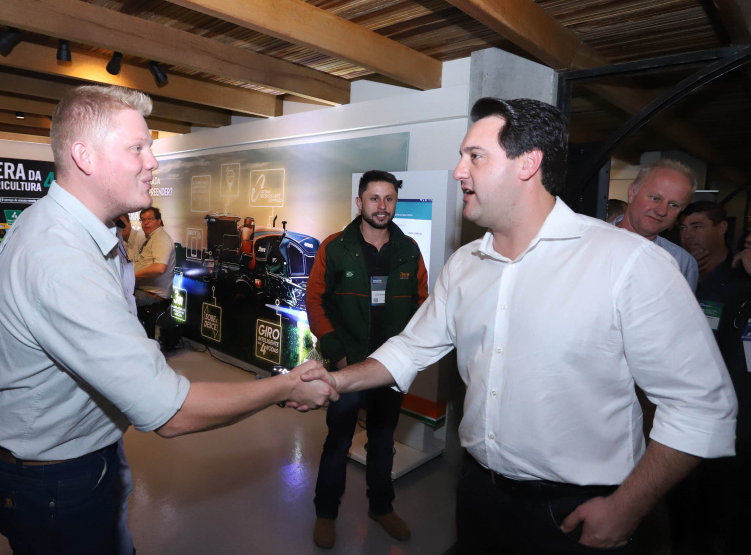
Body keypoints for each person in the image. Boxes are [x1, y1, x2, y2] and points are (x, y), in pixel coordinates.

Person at [299, 97, 737, 554]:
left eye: (475, 156)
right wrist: (335, 379)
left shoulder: (629, 264)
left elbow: (702, 408)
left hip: (578, 512)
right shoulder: (466, 264)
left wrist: (628, 505)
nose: (458, 171)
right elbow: (409, 349)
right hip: (476, 493)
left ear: (528, 164)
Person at [0, 84, 336, 555]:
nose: (152, 162)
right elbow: (171, 412)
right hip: (57, 484)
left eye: (150, 148)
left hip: (65, 464)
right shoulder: (61, 259)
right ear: (85, 156)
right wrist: (286, 385)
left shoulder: (66, 228)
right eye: (137, 148)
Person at [305, 170, 428, 549]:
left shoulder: (408, 250)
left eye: (389, 199)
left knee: (383, 440)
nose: (382, 206)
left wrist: (407, 356)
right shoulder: (335, 247)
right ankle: (326, 513)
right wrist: (338, 356)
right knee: (338, 443)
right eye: (374, 198)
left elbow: (424, 306)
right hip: (348, 367)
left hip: (389, 369)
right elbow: (315, 301)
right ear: (359, 202)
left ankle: (382, 507)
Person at [668, 202, 751, 553]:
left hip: (733, 415)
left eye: (698, 226)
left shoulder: (740, 280)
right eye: (684, 227)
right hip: (681, 407)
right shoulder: (678, 272)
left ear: (722, 228)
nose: (689, 235)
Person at [613, 160, 699, 291]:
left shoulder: (681, 262)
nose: (662, 211)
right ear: (632, 193)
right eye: (655, 198)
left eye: (673, 205)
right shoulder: (589, 242)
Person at [133, 206, 176, 308]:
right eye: (143, 219)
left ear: (159, 221)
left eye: (150, 219)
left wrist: (133, 275)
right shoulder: (152, 237)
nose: (146, 222)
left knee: (116, 302)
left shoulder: (161, 238)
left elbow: (160, 268)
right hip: (143, 292)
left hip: (152, 296)